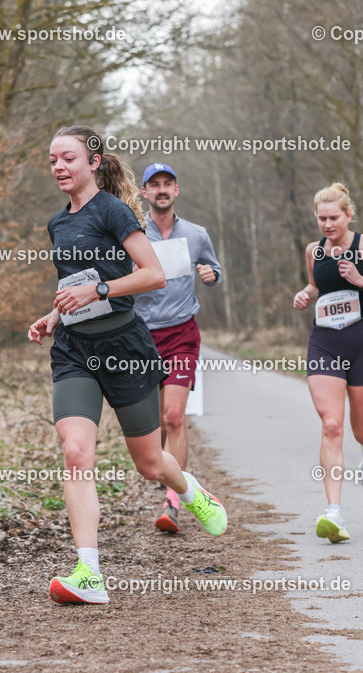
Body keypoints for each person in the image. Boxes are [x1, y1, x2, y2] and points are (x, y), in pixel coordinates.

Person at [27, 126, 228, 604]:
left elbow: (153, 275)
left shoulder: (114, 212)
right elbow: (75, 282)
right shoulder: (58, 223)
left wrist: (97, 291)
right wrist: (54, 314)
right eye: (53, 160)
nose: (58, 167)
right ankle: (89, 574)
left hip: (125, 348)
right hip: (75, 351)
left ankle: (191, 491)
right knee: (76, 452)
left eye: (68, 158)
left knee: (150, 463)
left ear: (93, 162)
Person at [292, 182, 363, 543]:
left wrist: (362, 281)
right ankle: (334, 512)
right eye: (321, 218)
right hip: (324, 342)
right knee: (331, 425)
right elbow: (316, 286)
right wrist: (304, 294)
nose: (327, 224)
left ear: (348, 215)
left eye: (334, 218)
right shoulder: (313, 251)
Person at [133, 163, 222, 533]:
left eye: (167, 184)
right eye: (154, 184)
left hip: (182, 334)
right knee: (153, 424)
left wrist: (211, 275)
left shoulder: (196, 234)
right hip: (140, 337)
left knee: (174, 416)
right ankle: (166, 471)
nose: (161, 190)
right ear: (144, 192)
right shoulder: (133, 233)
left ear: (176, 190)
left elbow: (214, 271)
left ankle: (174, 501)